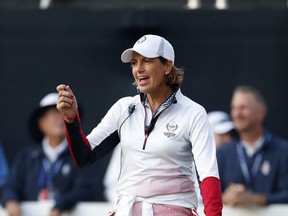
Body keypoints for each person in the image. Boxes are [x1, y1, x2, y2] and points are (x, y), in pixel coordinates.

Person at [56, 34, 222, 216]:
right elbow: (84, 156)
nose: (139, 69)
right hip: (126, 209)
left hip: (172, 209)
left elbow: (209, 175)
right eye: (134, 63)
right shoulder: (124, 107)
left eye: (147, 61)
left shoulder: (193, 112)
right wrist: (71, 120)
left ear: (167, 66)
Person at [1, 93, 95, 216]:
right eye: (53, 113)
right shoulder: (27, 157)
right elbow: (10, 185)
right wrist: (11, 201)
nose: (60, 118)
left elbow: (86, 188)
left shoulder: (82, 153)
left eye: (65, 113)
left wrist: (60, 206)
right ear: (41, 123)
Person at [217, 85, 288, 207]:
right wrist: (224, 197)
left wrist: (256, 199)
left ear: (260, 112)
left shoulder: (283, 151)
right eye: (234, 108)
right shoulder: (223, 153)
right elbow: (204, 193)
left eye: (243, 108)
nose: (237, 113)